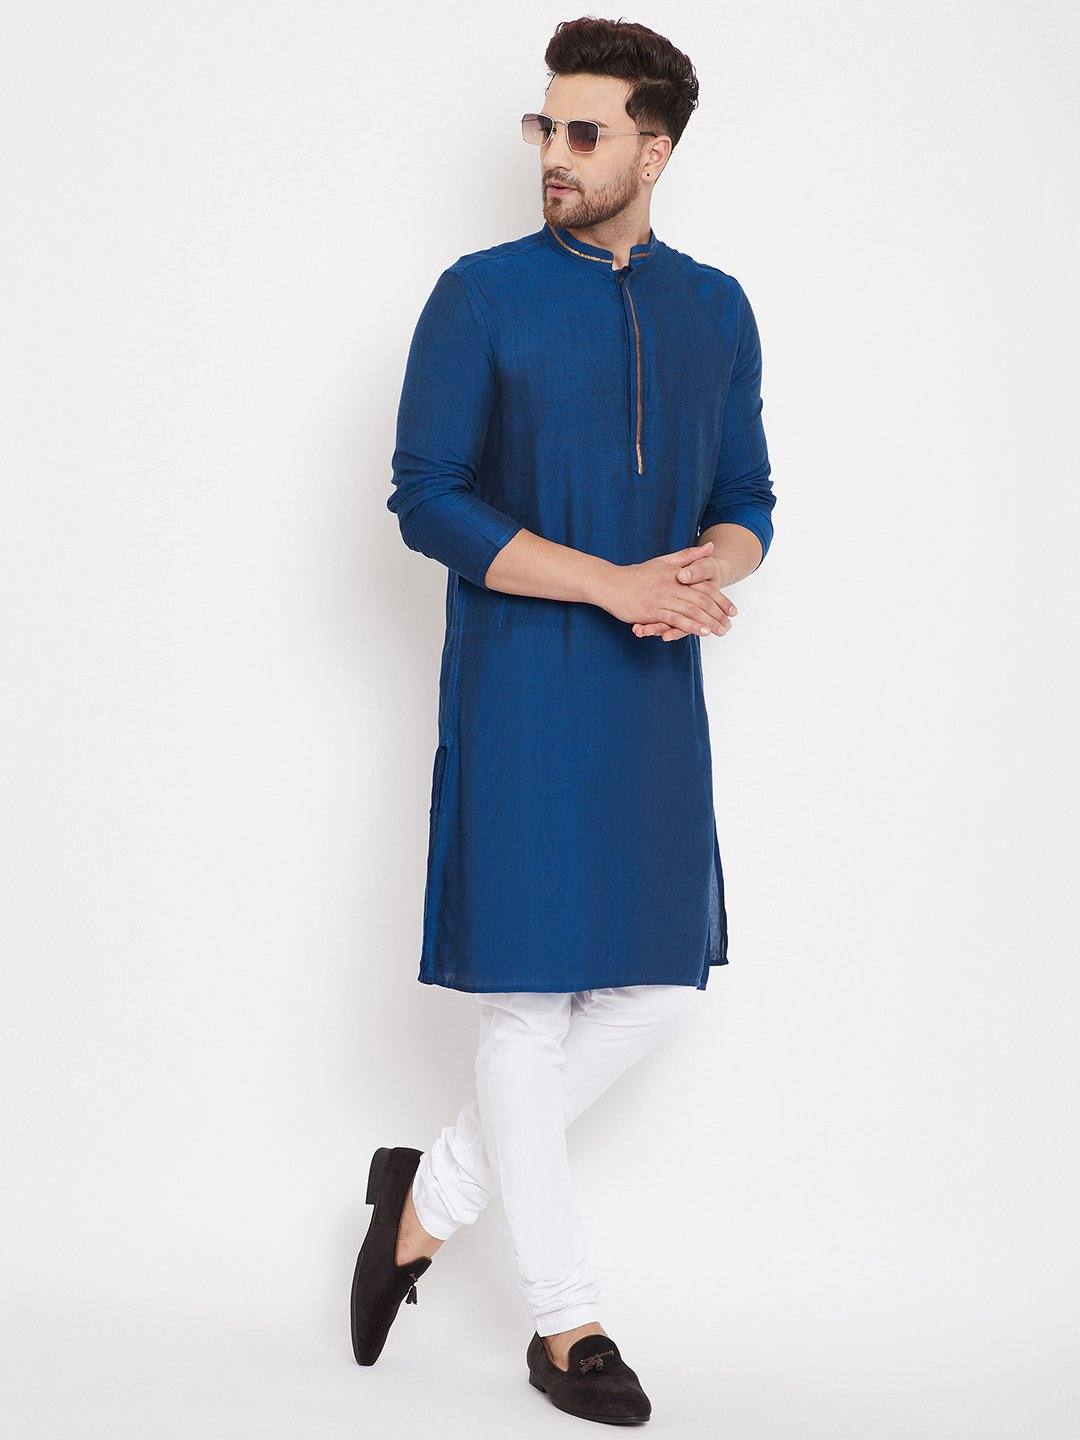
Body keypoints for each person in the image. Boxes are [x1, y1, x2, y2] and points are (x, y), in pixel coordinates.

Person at [352, 16, 776, 1425]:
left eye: (586, 131)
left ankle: (426, 1199)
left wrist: (705, 572)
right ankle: (564, 1326)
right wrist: (609, 582)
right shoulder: (480, 295)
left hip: (652, 687)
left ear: (656, 151)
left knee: (656, 986)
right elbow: (429, 498)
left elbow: (748, 498)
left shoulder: (715, 306)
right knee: (529, 1008)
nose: (555, 151)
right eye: (546, 125)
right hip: (525, 680)